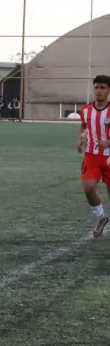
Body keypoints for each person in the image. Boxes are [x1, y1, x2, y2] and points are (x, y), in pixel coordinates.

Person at [78, 75, 110, 237]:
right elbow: (84, 126)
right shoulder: (86, 110)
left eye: (102, 88)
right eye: (96, 87)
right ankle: (101, 217)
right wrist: (82, 138)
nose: (98, 91)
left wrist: (108, 142)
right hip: (92, 156)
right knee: (88, 187)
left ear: (108, 91)